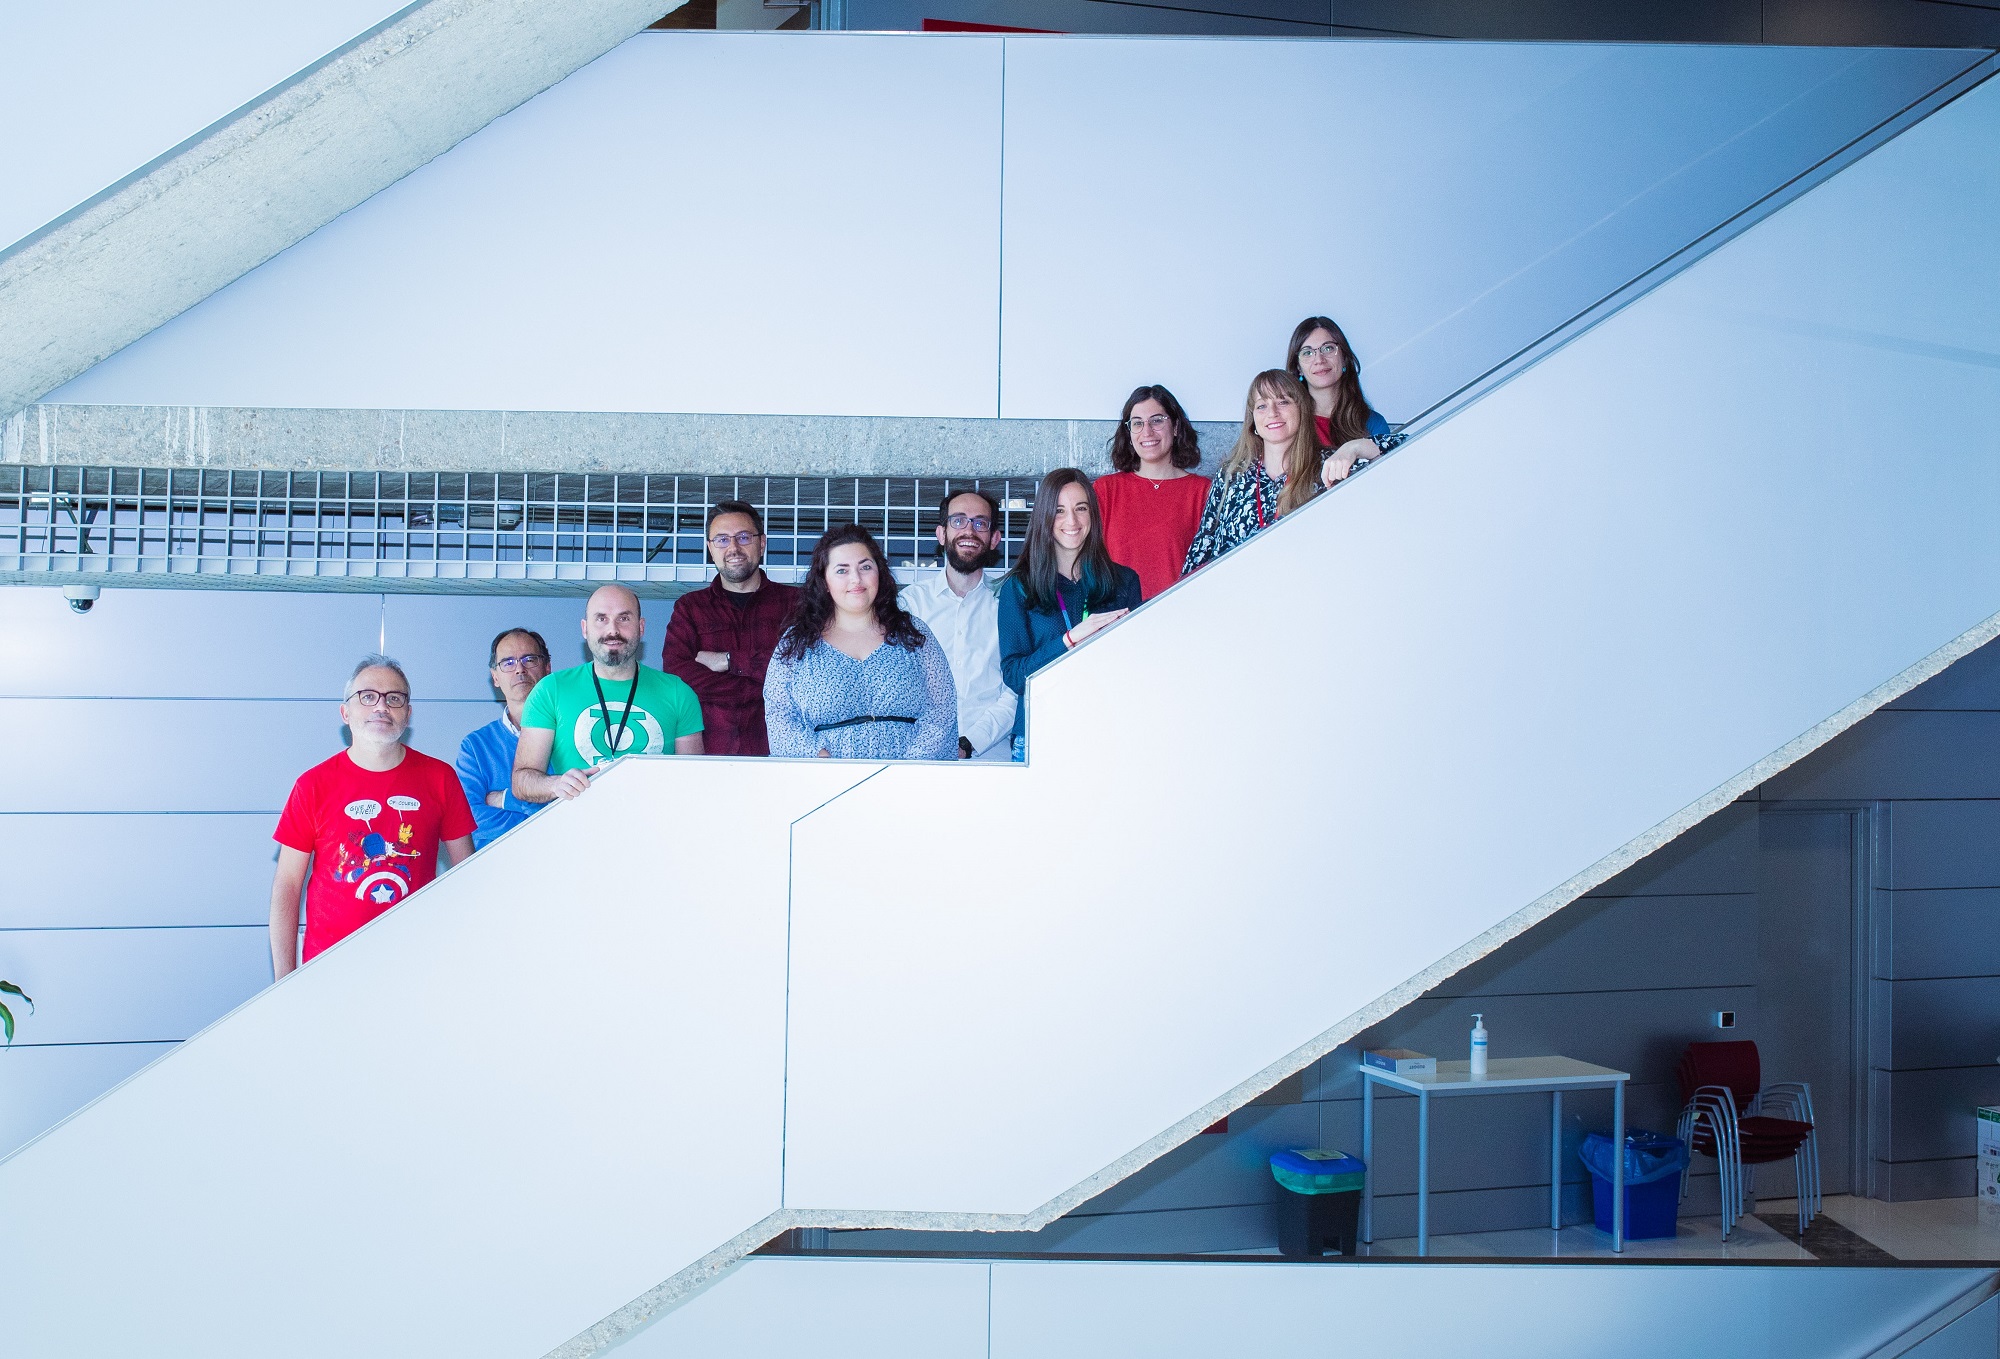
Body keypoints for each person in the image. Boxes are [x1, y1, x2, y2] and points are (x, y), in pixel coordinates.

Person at [269, 656, 476, 977]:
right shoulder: (311, 786)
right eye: (367, 697)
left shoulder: (441, 778)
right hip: (330, 970)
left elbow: (466, 876)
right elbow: (287, 886)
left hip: (417, 966)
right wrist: (283, 981)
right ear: (345, 713)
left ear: (408, 713)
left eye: (394, 698)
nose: (382, 706)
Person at [762, 524, 958, 760]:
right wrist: (816, 758)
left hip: (908, 783)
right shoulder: (797, 643)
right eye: (842, 570)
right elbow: (779, 713)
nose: (856, 579)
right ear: (824, 581)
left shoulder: (913, 634)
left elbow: (942, 707)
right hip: (824, 782)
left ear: (880, 572)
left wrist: (910, 766)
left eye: (865, 567)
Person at [998, 468, 1142, 759]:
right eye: (1059, 511)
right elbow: (1014, 675)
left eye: (1081, 509)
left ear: (1093, 515)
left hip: (1105, 733)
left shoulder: (1124, 582)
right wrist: (1069, 640)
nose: (1072, 521)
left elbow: (1133, 666)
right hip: (1040, 737)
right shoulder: (1020, 585)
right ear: (1044, 518)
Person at [513, 585, 704, 803]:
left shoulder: (678, 693)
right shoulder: (550, 690)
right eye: (601, 619)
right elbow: (522, 780)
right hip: (578, 832)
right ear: (585, 629)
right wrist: (556, 784)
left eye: (624, 619)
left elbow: (694, 782)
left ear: (641, 627)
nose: (612, 631)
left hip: (656, 830)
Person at [659, 500, 800, 756]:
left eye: (744, 537)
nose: (733, 548)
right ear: (710, 549)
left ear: (762, 543)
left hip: (781, 756)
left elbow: (803, 672)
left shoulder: (797, 605)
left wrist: (728, 661)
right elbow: (677, 674)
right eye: (722, 539)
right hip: (710, 757)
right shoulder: (690, 608)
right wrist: (765, 686)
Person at [900, 488, 1018, 760]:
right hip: (919, 757)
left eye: (980, 523)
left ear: (994, 539)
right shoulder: (909, 605)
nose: (969, 530)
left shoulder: (1009, 604)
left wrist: (970, 742)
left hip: (991, 759)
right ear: (941, 534)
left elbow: (1016, 688)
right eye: (958, 520)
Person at [1182, 371, 1321, 574]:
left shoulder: (1327, 468)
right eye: (1262, 405)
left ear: (1302, 408)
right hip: (1234, 598)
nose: (1272, 412)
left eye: (1283, 402)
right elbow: (1202, 546)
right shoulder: (1231, 475)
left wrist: (1353, 449)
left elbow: (1385, 450)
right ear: (1253, 419)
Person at [1093, 384, 1212, 602]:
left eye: (1157, 420)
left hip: (1181, 616)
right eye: (1137, 423)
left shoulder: (1204, 492)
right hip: (1115, 622)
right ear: (1129, 434)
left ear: (1175, 427)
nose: (1147, 432)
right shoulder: (1106, 490)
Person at [455, 627, 553, 850]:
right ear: (495, 678)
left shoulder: (569, 736)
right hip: (498, 875)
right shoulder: (474, 747)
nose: (519, 669)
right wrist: (548, 821)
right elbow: (470, 819)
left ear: (547, 668)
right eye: (508, 662)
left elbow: (579, 807)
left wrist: (506, 800)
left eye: (530, 659)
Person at [1285, 315, 1405, 488]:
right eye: (1308, 352)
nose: (1319, 360)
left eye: (1328, 348)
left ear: (1344, 358)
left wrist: (1355, 447)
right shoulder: (1288, 422)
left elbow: (1389, 478)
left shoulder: (1372, 422)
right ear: (1298, 367)